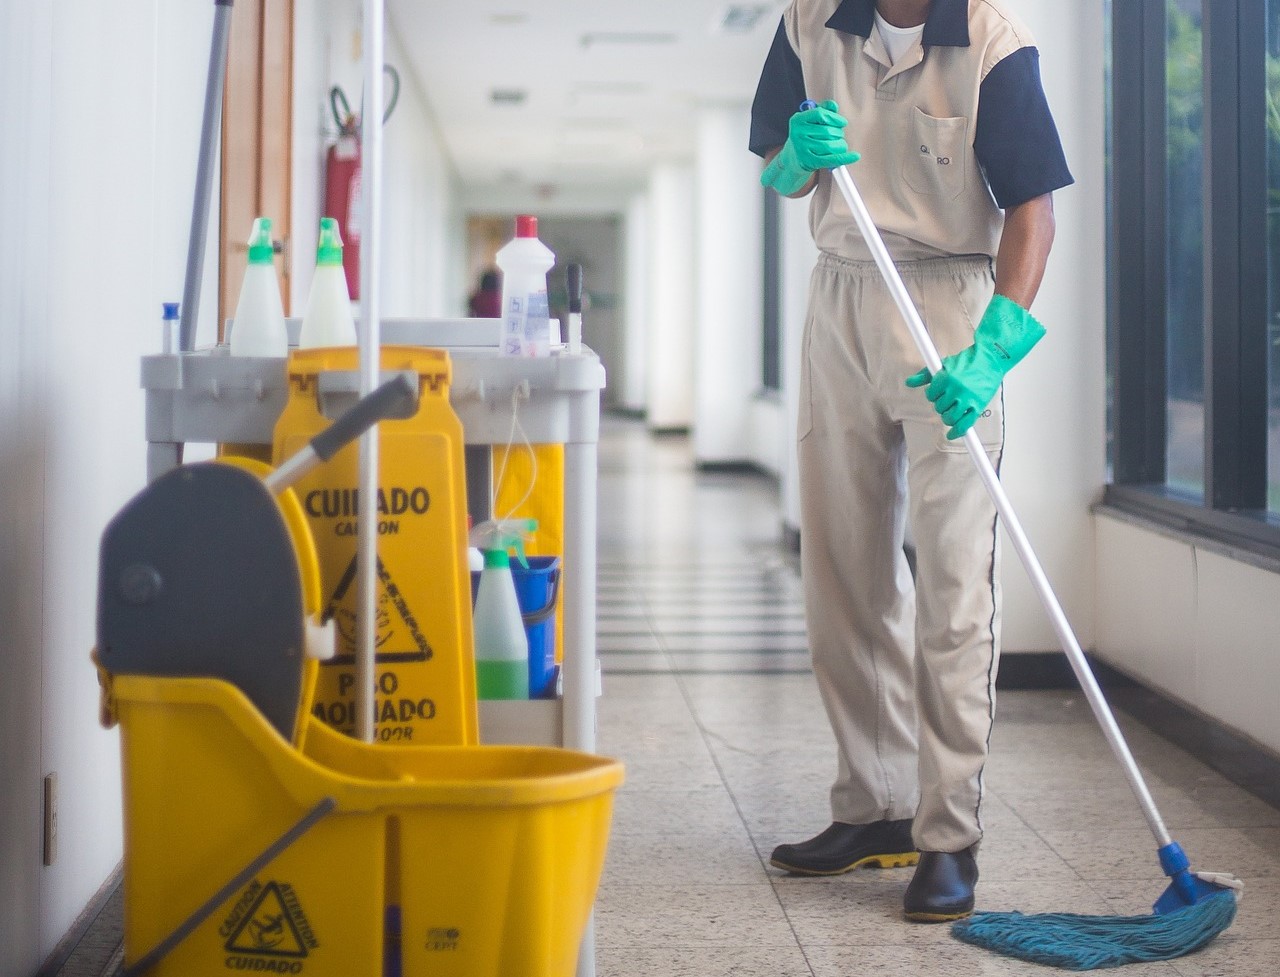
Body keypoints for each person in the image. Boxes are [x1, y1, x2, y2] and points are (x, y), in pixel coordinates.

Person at [749, 0, 1072, 922]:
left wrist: (994, 348)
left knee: (954, 585)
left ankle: (947, 834)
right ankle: (877, 803)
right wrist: (793, 161)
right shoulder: (809, 24)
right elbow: (776, 171)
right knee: (843, 574)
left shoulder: (992, 43)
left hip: (951, 312)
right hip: (841, 300)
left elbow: (1032, 212)